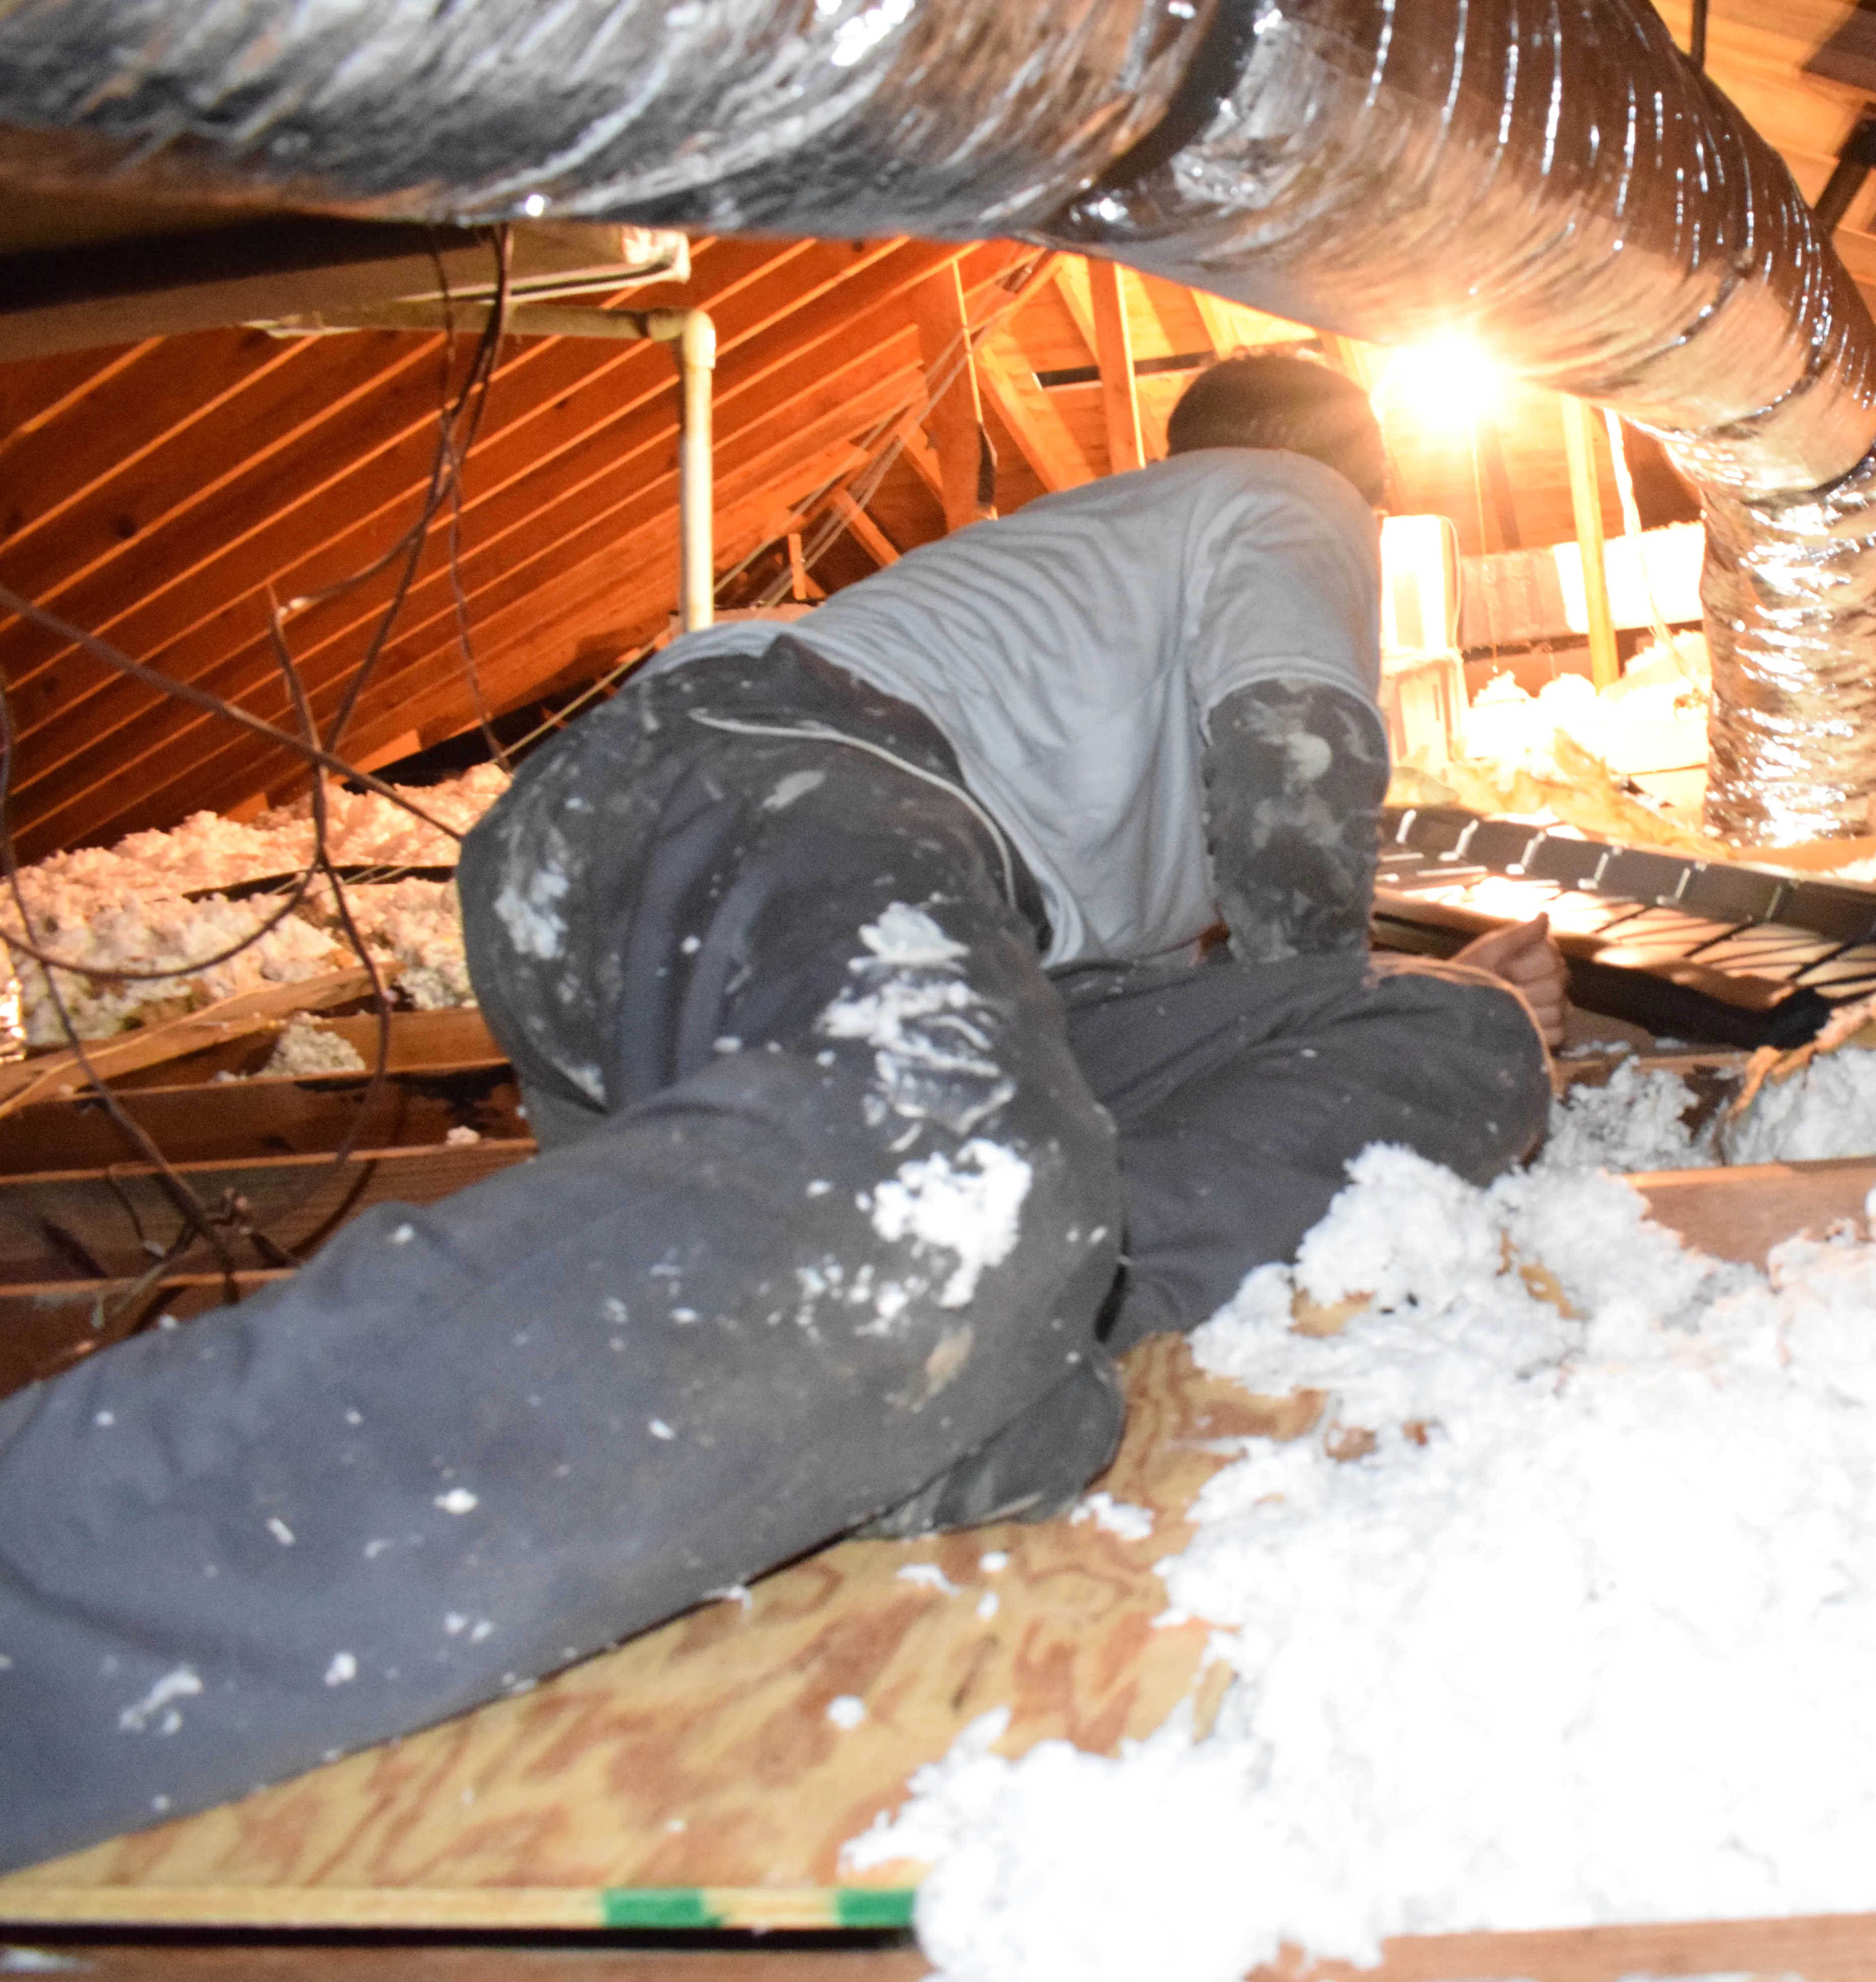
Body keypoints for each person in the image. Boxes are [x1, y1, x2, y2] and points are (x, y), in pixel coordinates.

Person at [0, 356, 1559, 1874]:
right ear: (1363, 472)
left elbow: (1137, 991)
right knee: (949, 1190)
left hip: (817, 922)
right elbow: (1296, 764)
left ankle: (1003, 1353)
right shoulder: (1287, 495)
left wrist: (1412, 1001)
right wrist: (1314, 960)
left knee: (1452, 1037)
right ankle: (51, 1604)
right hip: (762, 779)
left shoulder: (1092, 620)